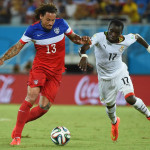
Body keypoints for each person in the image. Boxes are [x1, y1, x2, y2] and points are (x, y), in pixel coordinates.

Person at [0, 3, 91, 145]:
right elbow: (18, 46)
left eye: (53, 20)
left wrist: (82, 40)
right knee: (31, 96)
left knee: (44, 107)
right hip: (40, 69)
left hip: (56, 72)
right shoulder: (32, 30)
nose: (51, 22)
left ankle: (19, 124)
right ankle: (17, 136)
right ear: (41, 17)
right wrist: (3, 58)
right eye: (48, 19)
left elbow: (74, 38)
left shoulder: (61, 24)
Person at [78, 19, 150, 142]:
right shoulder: (99, 37)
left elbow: (137, 37)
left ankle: (148, 115)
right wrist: (84, 56)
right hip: (105, 79)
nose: (113, 34)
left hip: (120, 72)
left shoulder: (126, 40)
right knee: (110, 107)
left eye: (116, 33)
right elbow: (83, 48)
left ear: (121, 33)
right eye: (111, 31)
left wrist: (148, 47)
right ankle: (114, 122)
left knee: (130, 98)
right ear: (108, 29)